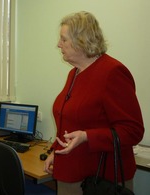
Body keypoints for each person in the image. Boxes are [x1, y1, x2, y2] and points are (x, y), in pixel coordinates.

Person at [44, 11, 144, 195]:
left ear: (81, 41)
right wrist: (55, 152)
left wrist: (87, 136)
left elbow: (133, 130)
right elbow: (68, 122)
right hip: (71, 171)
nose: (58, 45)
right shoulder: (74, 73)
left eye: (63, 39)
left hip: (100, 180)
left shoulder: (113, 72)